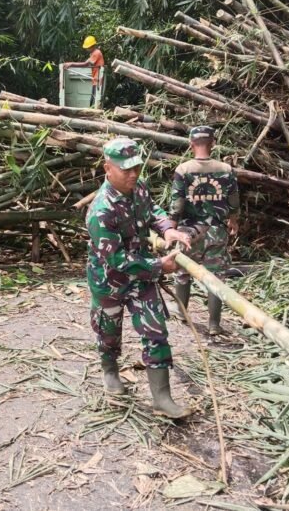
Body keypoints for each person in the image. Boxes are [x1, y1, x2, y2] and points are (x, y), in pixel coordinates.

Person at [86, 138, 193, 419]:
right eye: (126, 170)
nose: (133, 174)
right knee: (108, 331)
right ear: (107, 168)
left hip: (142, 274)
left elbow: (154, 210)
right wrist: (160, 266)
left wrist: (168, 229)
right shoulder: (101, 211)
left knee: (155, 329)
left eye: (137, 167)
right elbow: (118, 261)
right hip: (109, 279)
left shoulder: (138, 187)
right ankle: (110, 371)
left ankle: (162, 398)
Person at [169, 126, 239, 335]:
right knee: (215, 277)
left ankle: (182, 313)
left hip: (189, 232)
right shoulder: (226, 170)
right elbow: (234, 199)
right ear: (213, 143)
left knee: (182, 271)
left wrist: (171, 226)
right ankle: (214, 324)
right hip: (217, 231)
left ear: (191, 144)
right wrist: (234, 220)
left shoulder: (183, 170)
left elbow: (177, 203)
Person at [63, 35, 105, 107]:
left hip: (98, 80)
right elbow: (87, 63)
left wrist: (71, 64)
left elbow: (86, 64)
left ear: (91, 46)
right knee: (93, 101)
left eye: (87, 48)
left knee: (94, 102)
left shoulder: (96, 53)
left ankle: (93, 117)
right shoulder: (93, 54)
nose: (86, 49)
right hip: (96, 80)